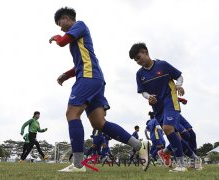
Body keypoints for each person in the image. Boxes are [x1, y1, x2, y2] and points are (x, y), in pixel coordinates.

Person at [49, 7, 150, 172]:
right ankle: (139, 145)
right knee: (98, 122)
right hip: (94, 79)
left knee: (72, 113)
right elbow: (81, 63)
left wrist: (56, 37)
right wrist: (66, 75)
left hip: (88, 78)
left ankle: (78, 164)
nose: (60, 29)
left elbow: (61, 42)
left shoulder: (79, 25)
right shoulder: (77, 37)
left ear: (66, 18)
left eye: (60, 24)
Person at [129, 42, 202, 172]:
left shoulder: (162, 65)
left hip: (171, 101)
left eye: (138, 57)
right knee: (175, 136)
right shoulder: (139, 74)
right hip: (157, 108)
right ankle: (195, 159)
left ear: (145, 52)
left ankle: (181, 165)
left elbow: (179, 76)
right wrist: (148, 97)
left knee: (168, 128)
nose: (137, 61)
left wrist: (178, 85)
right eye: (135, 60)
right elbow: (143, 91)